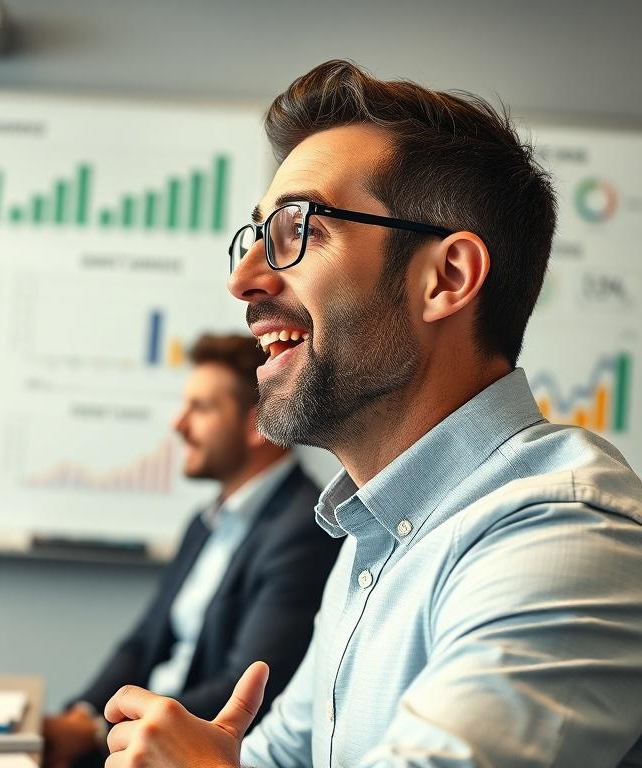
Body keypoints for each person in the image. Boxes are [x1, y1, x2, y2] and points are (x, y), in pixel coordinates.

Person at [103, 60, 642, 767]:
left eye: (298, 229)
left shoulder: (564, 532)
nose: (243, 280)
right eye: (255, 235)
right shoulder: (375, 535)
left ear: (445, 278)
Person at [44, 334, 340, 768]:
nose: (179, 424)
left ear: (258, 424)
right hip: (134, 739)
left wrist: (94, 735)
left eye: (200, 409)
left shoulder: (304, 529)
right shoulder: (204, 523)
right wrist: (83, 714)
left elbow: (241, 689)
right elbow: (142, 642)